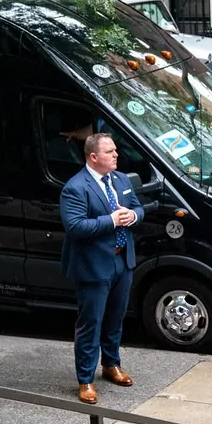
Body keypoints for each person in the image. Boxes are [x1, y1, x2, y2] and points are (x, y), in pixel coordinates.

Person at [59, 133, 143, 404]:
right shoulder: (75, 187)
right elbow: (75, 227)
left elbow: (138, 208)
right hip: (93, 265)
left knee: (115, 318)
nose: (116, 154)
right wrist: (110, 220)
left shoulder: (121, 179)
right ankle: (85, 379)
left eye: (115, 150)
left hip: (122, 259)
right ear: (93, 157)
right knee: (91, 323)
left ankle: (111, 364)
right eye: (109, 151)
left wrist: (132, 216)